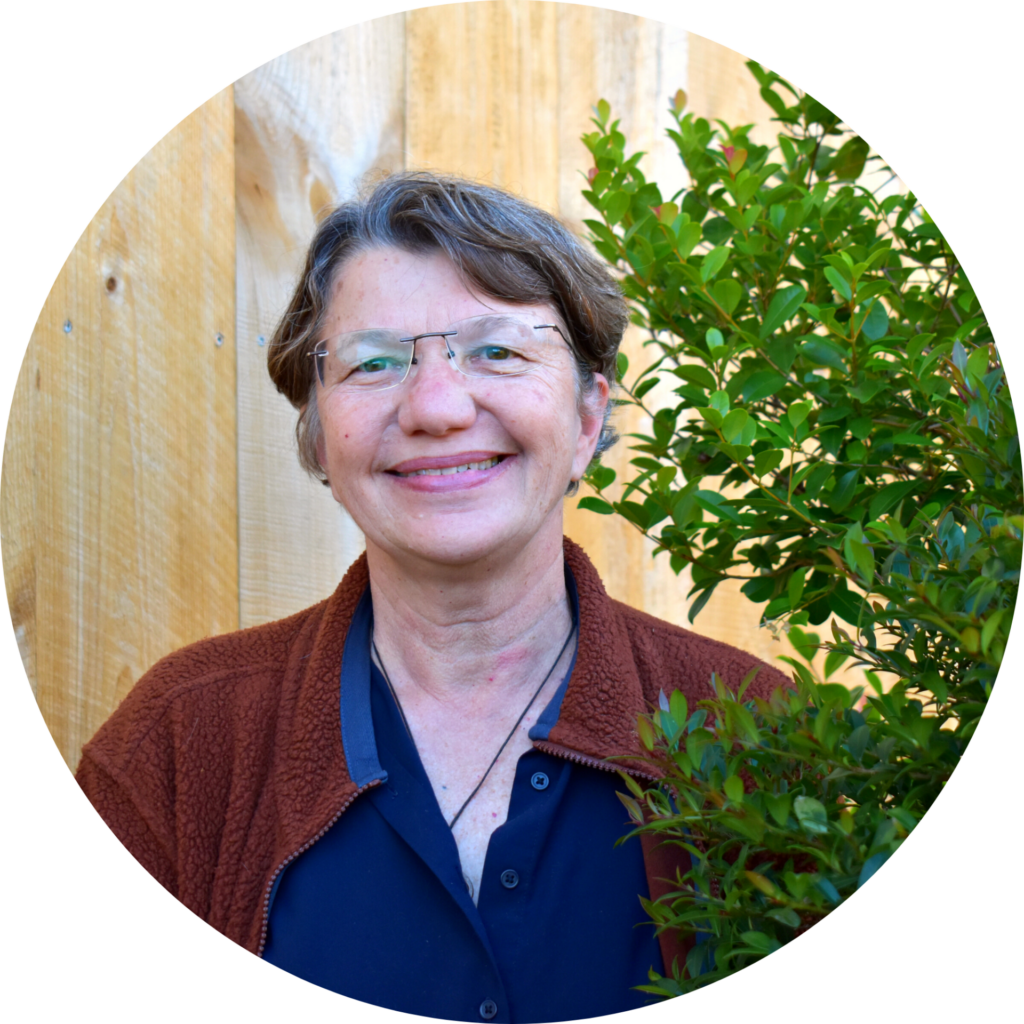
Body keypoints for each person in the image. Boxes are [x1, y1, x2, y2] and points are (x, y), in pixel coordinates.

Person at [75, 172, 789, 1021]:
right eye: (374, 362)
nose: (438, 407)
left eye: (498, 350)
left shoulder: (749, 728)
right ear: (318, 439)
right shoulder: (181, 746)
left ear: (588, 421)